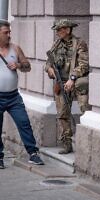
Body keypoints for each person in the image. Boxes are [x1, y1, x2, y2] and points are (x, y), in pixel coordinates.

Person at [0, 19, 44, 169]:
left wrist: (18, 65)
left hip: (13, 96)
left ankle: (33, 153)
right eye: (6, 32)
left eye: (9, 32)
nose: (9, 35)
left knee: (24, 123)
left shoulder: (15, 48)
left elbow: (28, 67)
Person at [45, 19, 90, 154]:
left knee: (84, 110)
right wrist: (49, 69)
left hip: (75, 81)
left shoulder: (79, 43)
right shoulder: (56, 45)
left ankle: (87, 141)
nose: (58, 32)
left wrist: (72, 78)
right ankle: (67, 144)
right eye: (57, 30)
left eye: (60, 29)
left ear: (67, 30)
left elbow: (83, 64)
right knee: (62, 114)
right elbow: (48, 62)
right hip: (60, 81)